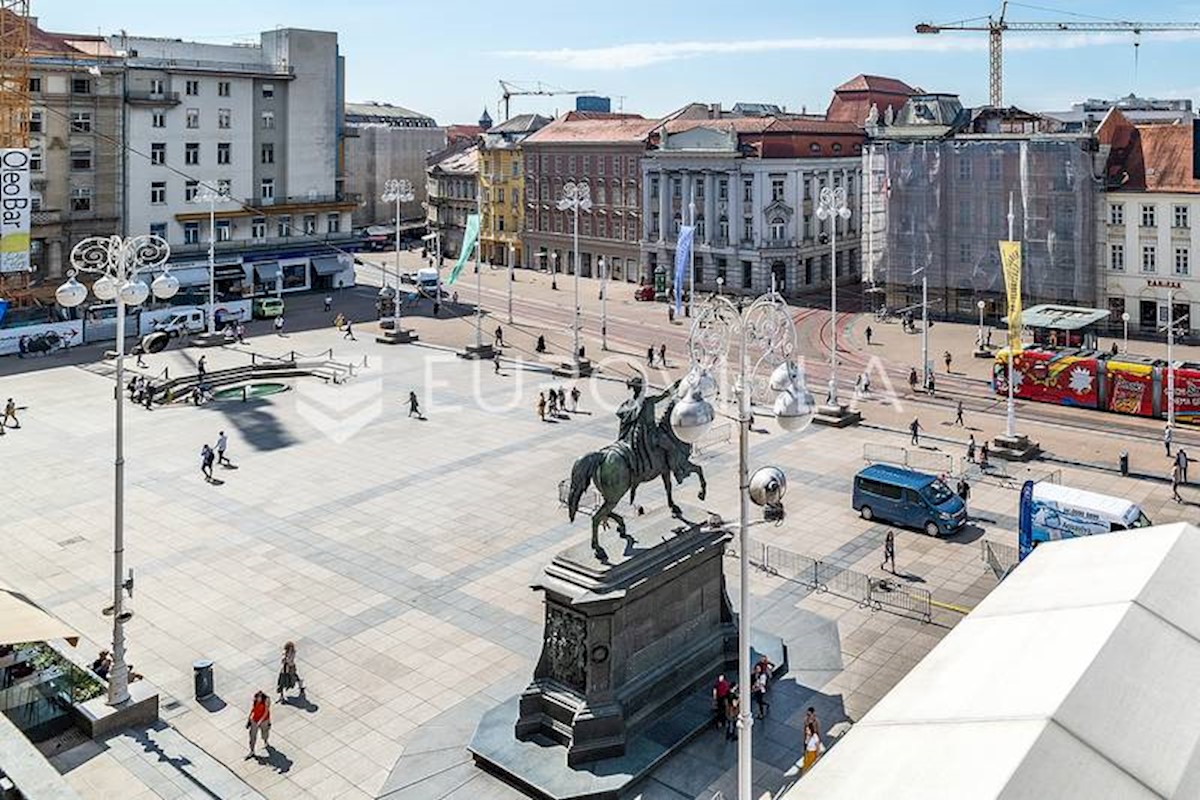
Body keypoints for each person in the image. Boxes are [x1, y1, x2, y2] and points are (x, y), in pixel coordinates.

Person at [247, 691, 271, 757]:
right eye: (257, 698)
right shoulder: (255, 700)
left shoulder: (266, 700)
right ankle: (252, 750)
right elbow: (253, 709)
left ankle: (265, 741)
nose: (258, 699)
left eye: (259, 698)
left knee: (265, 732)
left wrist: (260, 721)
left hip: (264, 720)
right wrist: (249, 718)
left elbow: (266, 712)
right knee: (252, 735)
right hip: (255, 720)